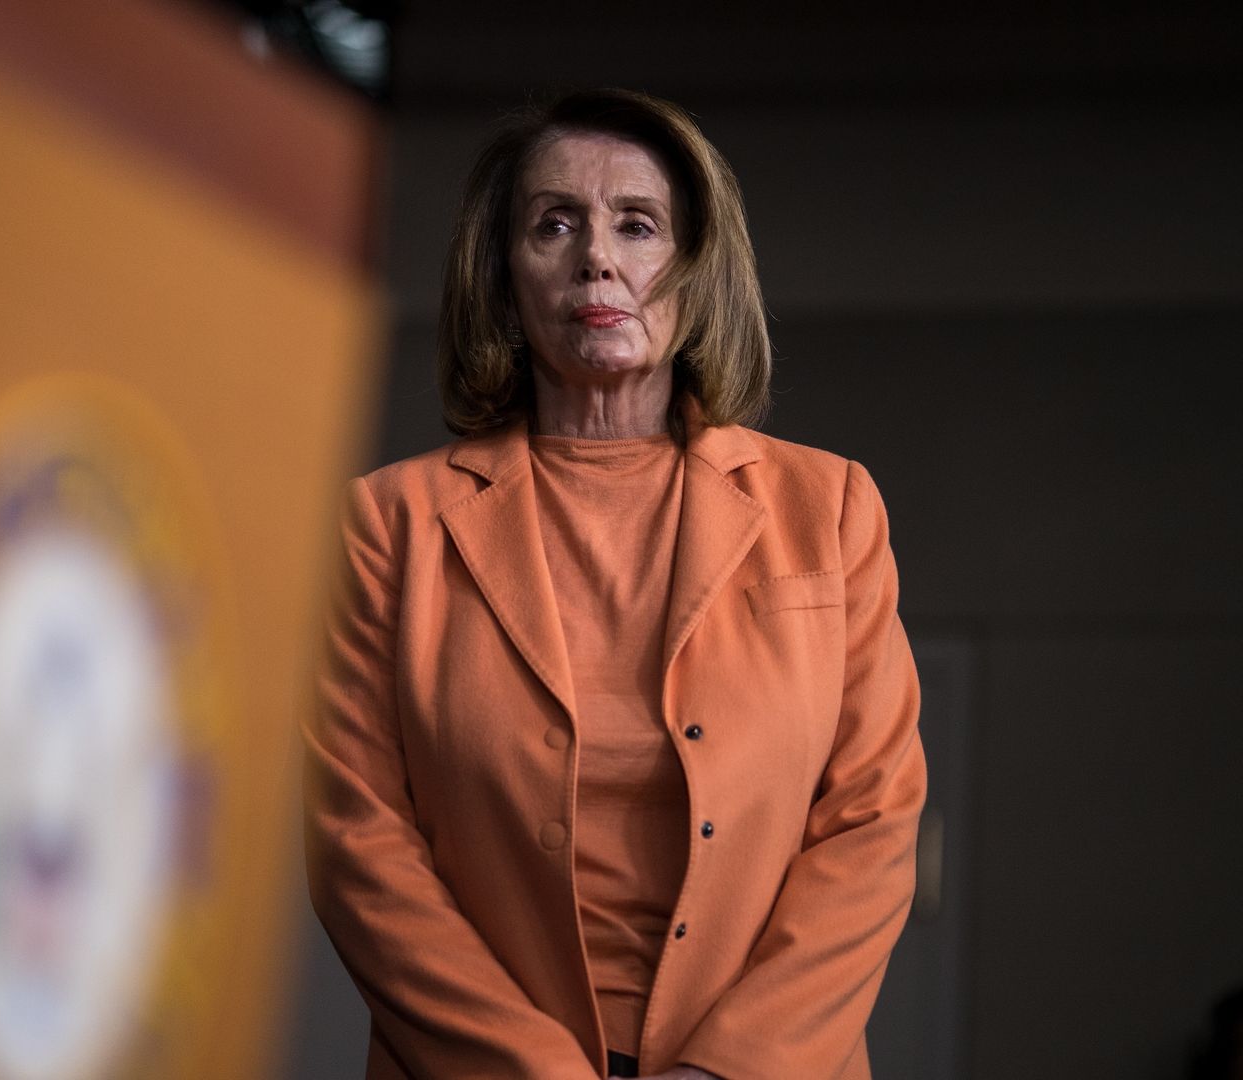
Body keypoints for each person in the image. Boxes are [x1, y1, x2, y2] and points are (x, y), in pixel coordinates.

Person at [302, 89, 927, 1079]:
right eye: (555, 223)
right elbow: (357, 845)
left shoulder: (832, 508)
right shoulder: (388, 527)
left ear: (697, 272)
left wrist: (727, 1070)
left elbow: (872, 823)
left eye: (637, 224)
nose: (597, 255)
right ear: (505, 280)